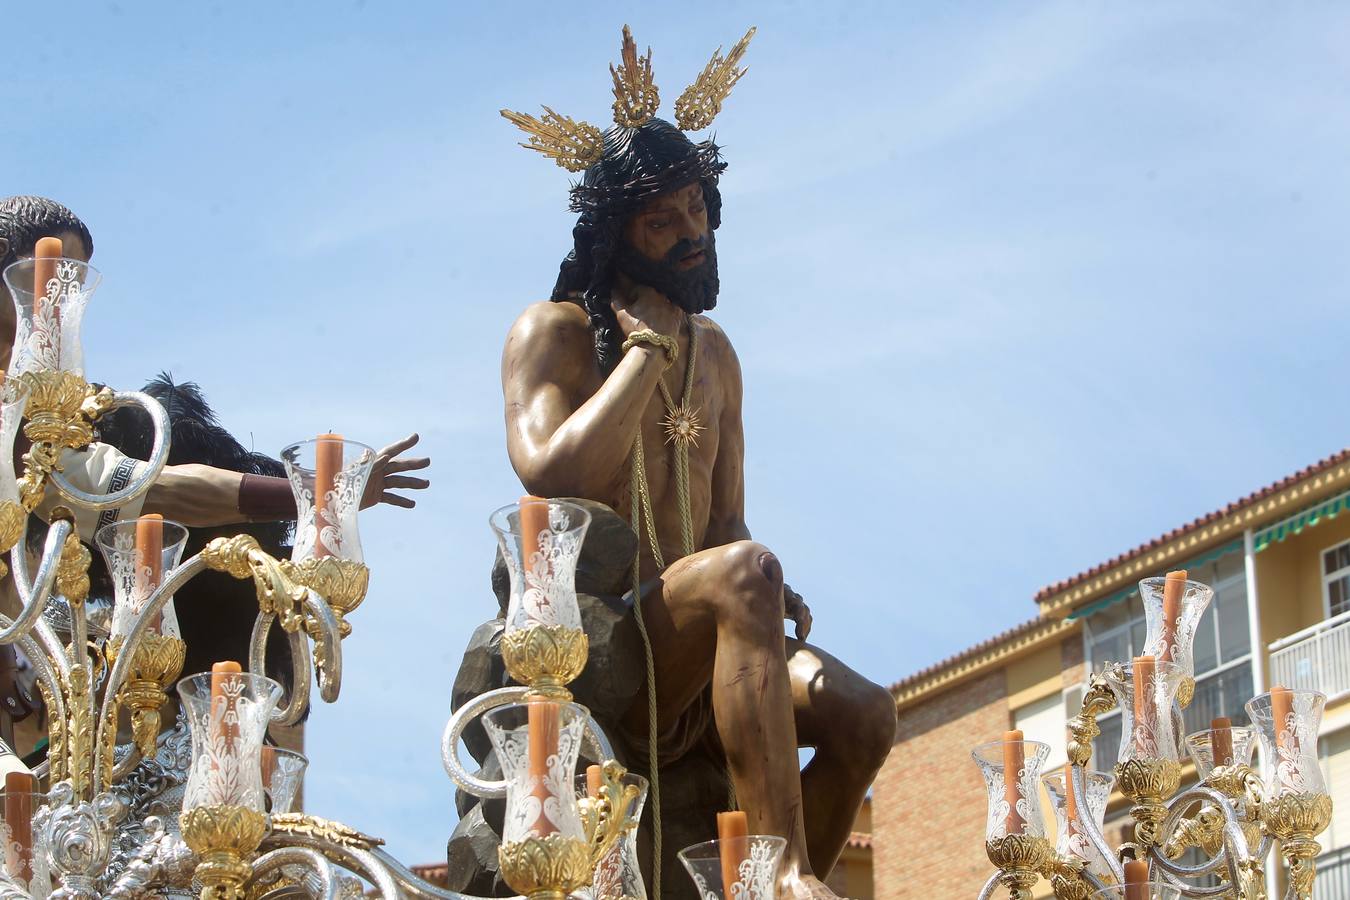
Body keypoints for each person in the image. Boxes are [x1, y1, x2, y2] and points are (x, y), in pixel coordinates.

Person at [500, 27, 896, 898]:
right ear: (618, 236)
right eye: (663, 221)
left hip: (702, 646)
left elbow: (726, 522)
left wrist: (767, 591)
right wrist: (643, 353)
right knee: (740, 573)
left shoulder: (717, 356)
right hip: (604, 649)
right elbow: (550, 473)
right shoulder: (554, 334)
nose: (692, 234)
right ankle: (781, 871)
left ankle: (757, 887)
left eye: (697, 210)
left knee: (866, 713)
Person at [0, 194, 431, 539]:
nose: (57, 302)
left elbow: (148, 490)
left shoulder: (40, 416)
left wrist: (322, 494)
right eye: (50, 276)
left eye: (71, 287)